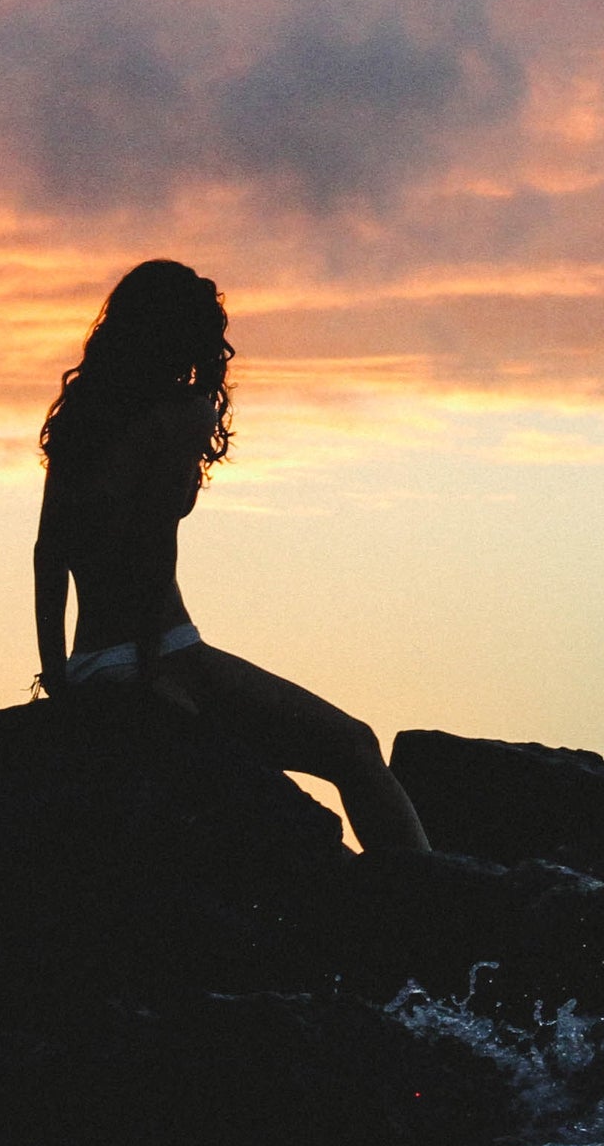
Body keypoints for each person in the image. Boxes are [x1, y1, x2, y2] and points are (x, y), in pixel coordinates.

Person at [32, 259, 430, 854]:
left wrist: (59, 678)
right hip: (164, 652)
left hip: (91, 662)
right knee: (353, 746)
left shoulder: (81, 420)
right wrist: (154, 672)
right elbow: (147, 551)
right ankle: (430, 904)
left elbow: (48, 556)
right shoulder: (181, 413)